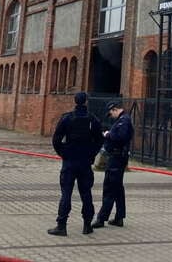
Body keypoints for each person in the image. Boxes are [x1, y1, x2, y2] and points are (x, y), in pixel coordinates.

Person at [47, 91, 104, 237]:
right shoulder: (93, 120)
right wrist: (91, 154)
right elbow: (99, 140)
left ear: (75, 101)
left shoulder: (67, 118)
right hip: (85, 162)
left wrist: (63, 153)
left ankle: (61, 225)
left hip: (70, 161)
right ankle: (87, 225)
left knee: (66, 193)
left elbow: (56, 140)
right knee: (86, 193)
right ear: (86, 102)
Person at [92, 100, 134, 229]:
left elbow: (120, 137)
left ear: (115, 109)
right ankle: (119, 217)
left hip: (117, 157)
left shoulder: (124, 121)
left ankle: (101, 218)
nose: (111, 116)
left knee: (110, 187)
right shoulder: (123, 120)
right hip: (118, 157)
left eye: (111, 113)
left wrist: (108, 134)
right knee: (117, 188)